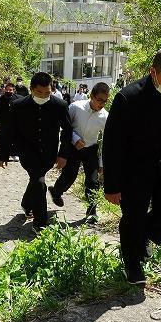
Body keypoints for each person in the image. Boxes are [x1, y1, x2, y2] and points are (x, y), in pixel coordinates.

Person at [102, 47, 161, 284]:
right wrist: (112, 185)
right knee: (133, 215)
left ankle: (143, 237)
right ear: (153, 72)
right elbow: (113, 144)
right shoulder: (129, 97)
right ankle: (132, 263)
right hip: (135, 166)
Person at [0, 72, 72, 232]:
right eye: (39, 92)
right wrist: (3, 154)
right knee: (39, 182)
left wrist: (63, 154)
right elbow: (9, 131)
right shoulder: (18, 105)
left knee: (36, 180)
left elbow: (67, 131)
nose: (43, 96)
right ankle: (40, 222)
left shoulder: (59, 105)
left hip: (49, 153)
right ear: (31, 89)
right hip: (27, 152)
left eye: (47, 93)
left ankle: (26, 203)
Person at [49, 82, 110, 223]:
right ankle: (56, 191)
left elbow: (106, 142)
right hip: (73, 148)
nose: (101, 104)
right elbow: (64, 128)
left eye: (105, 101)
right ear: (92, 96)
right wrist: (75, 139)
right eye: (99, 100)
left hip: (91, 150)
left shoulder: (105, 117)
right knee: (69, 176)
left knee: (93, 181)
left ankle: (92, 212)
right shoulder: (75, 107)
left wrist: (102, 163)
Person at [0, 82, 22, 158]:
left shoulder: (19, 99)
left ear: (14, 90)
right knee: (3, 139)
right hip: (3, 123)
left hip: (15, 123)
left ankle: (14, 154)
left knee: (15, 139)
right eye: (7, 89)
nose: (8, 91)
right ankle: (4, 155)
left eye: (10, 90)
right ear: (4, 90)